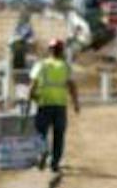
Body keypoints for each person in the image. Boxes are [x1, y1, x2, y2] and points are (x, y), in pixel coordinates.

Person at [29, 37, 80, 171]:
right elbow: (72, 86)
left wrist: (30, 98)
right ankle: (55, 163)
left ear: (49, 50)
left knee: (40, 133)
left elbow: (33, 84)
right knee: (59, 136)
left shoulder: (41, 65)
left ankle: (42, 153)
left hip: (44, 104)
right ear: (61, 51)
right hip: (60, 106)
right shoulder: (65, 66)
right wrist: (76, 103)